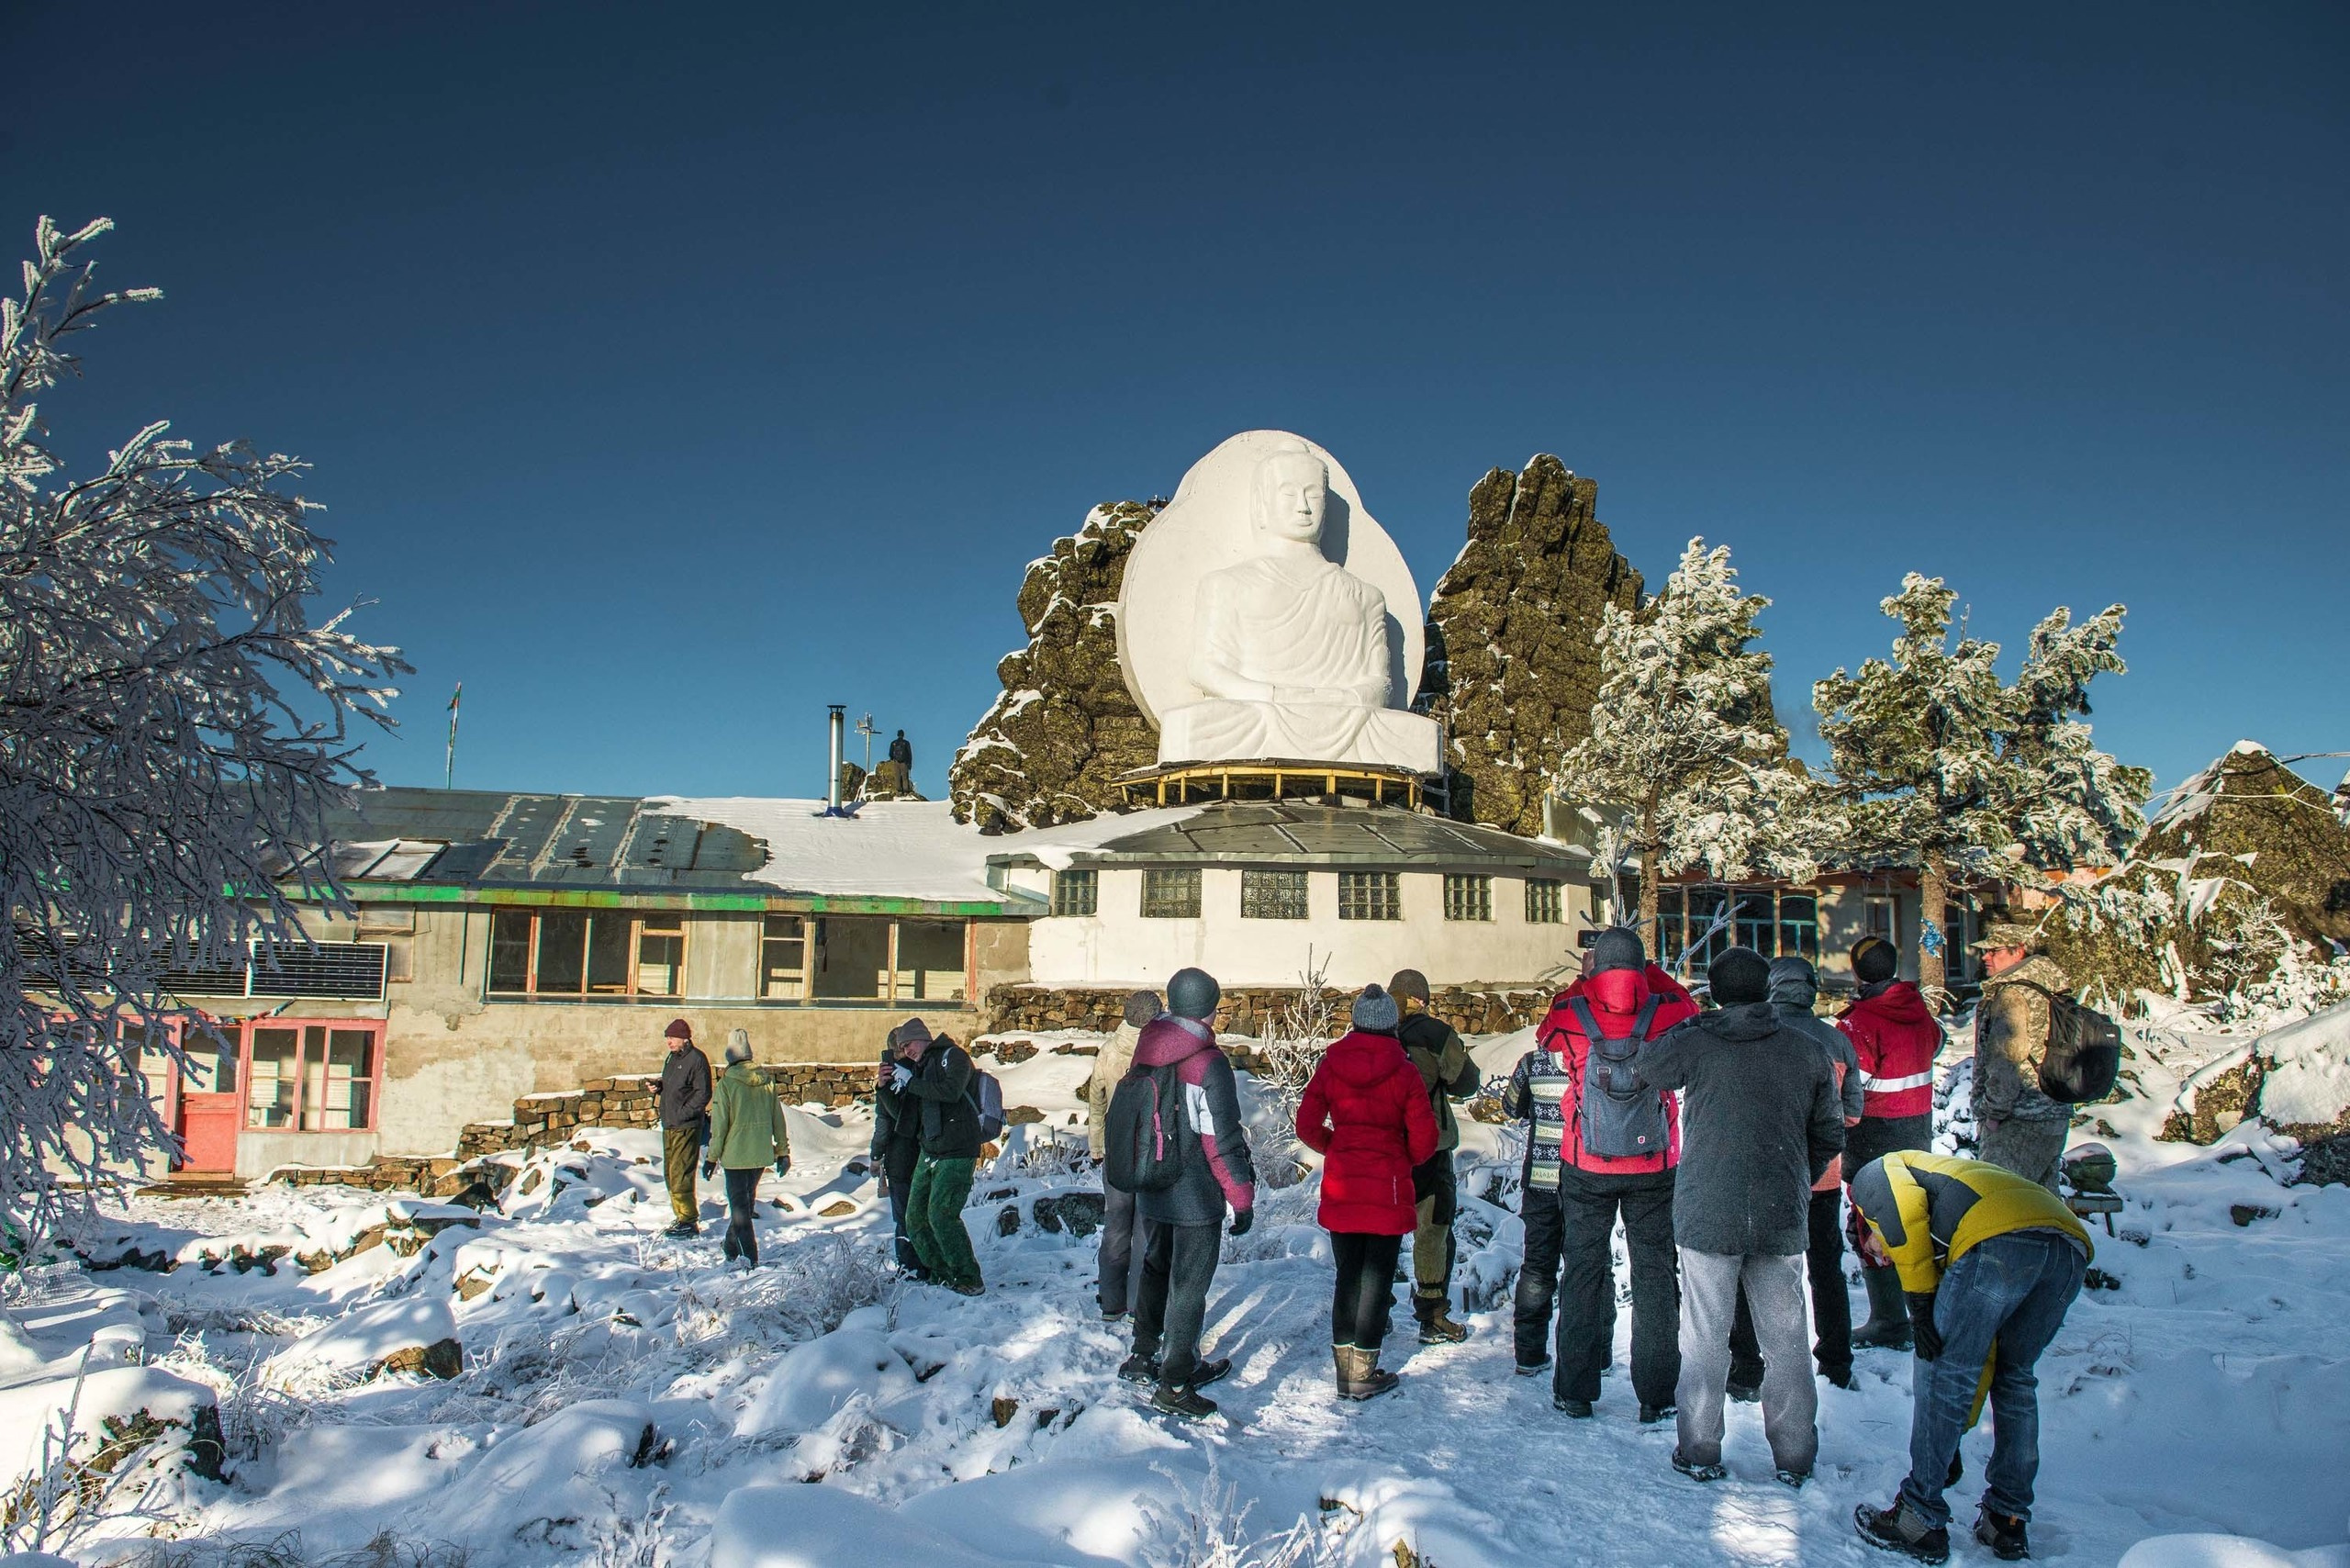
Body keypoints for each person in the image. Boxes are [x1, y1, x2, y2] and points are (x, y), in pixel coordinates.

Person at [1636, 946, 1844, 1487]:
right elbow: (1829, 1133)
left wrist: (1703, 1020)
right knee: (1787, 1337)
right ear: (1769, 991)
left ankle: (1700, 1447)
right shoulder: (1805, 1050)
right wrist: (1798, 1173)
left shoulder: (1700, 1041)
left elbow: (1649, 1064)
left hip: (1708, 1207)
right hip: (1781, 1210)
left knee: (1705, 1334)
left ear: (1716, 993)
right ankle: (1795, 1454)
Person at [1850, 1150, 2093, 1563]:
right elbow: (1981, 1359)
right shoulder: (1949, 1212)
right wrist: (1953, 1437)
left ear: (1862, 1223)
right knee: (2015, 1377)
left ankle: (1918, 1518)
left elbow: (1903, 1217)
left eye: (1876, 1252)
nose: (1885, 1260)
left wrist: (1921, 1302)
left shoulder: (1873, 1179)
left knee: (1940, 1371)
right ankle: (2007, 1520)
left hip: (1998, 1237)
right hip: (2066, 1248)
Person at [1503, 925, 1698, 1422]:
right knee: (1655, 1274)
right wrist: (1646, 975)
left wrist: (1590, 981)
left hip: (1584, 1160)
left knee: (1584, 1272)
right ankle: (1656, 1395)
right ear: (1641, 967)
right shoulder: (1670, 1012)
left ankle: (1575, 1390)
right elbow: (1689, 1008)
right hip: (1654, 1164)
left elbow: (1544, 1034)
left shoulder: (1571, 1013)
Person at [1121, 966, 1257, 1421]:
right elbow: (1219, 1137)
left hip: (1152, 1180)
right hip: (1194, 1192)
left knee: (1156, 1269)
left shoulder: (1149, 1047)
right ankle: (1176, 1381)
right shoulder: (1206, 1062)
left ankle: (1143, 1354)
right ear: (1209, 1008)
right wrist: (1240, 1196)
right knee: (1189, 1286)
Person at [1729, 955, 1867, 1394]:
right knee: (1826, 1269)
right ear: (1811, 989)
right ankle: (1836, 1362)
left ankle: (1747, 1368)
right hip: (1821, 1179)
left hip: (1763, 1175)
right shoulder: (1837, 1042)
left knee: (1750, 1269)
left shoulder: (1757, 1036)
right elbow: (1853, 1113)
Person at [1296, 984, 1440, 1399]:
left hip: (1344, 1182)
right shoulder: (1404, 1070)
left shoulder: (1332, 1064)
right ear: (1391, 1023)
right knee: (1377, 1278)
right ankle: (1364, 1368)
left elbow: (1306, 1124)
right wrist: (1401, 1156)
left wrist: (1337, 1145)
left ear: (1355, 1021)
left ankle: (1345, 1369)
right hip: (1388, 1185)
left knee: (1348, 1275)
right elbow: (1425, 1138)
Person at [1839, 935, 1945, 1350]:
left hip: (1872, 1137)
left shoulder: (1858, 1022)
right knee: (1912, 1221)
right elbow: (1935, 1045)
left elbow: (1851, 1084)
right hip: (1916, 1130)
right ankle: (1922, 1310)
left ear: (1856, 972)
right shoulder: (1919, 1011)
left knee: (1872, 1226)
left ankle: (1888, 1319)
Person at [1390, 968, 1482, 1343]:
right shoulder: (1435, 1033)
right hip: (1433, 1145)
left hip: (1387, 1150)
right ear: (1422, 999)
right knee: (1435, 1230)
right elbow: (1468, 1081)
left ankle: (1374, 1311)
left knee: (1383, 1231)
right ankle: (1432, 1315)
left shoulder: (1376, 1033)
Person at [1970, 911, 2073, 1195]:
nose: (1986, 957)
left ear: (2019, 952)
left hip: (2019, 1116)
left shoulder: (2012, 995)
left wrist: (1993, 1111)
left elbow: (2006, 1058)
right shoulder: (2051, 988)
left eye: (1995, 951)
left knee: (1999, 1200)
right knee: (2044, 1203)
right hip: (2054, 1108)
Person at [898, 1018, 987, 1296]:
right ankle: (942, 1274)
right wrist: (886, 1086)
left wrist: (911, 1082)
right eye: (901, 1047)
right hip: (930, 1149)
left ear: (922, 1038)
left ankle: (968, 1277)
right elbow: (906, 1115)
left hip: (958, 1151)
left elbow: (951, 1091)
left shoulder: (954, 1056)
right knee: (914, 1219)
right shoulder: (919, 1069)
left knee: (942, 1216)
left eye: (907, 1043)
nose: (905, 1050)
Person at [1090, 989, 1162, 1321]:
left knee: (1115, 1224)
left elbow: (1097, 1103)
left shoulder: (1108, 1050)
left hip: (1115, 1150)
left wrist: (1096, 1147)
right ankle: (1137, 1302)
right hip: (1148, 1149)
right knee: (1144, 1228)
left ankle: (1110, 1299)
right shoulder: (1158, 1050)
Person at [701, 1028, 790, 1265]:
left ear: (730, 1056)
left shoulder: (727, 1084)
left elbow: (719, 1126)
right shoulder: (766, 1082)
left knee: (740, 1210)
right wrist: (782, 1151)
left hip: (735, 1155)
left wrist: (712, 1157)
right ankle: (731, 1247)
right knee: (746, 1202)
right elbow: (777, 1119)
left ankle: (750, 1259)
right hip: (760, 1154)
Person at [871, 1021, 928, 1277]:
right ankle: (926, 1262)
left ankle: (909, 1267)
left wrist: (876, 1154)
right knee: (922, 1214)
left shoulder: (895, 1079)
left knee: (904, 1218)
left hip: (901, 1157)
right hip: (924, 1153)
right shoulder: (922, 1072)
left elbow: (889, 1120)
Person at [656, 1018, 712, 1238]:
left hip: (686, 1125)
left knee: (681, 1174)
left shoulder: (696, 1059)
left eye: (673, 1038)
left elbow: (703, 1093)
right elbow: (674, 1087)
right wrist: (658, 1086)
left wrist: (684, 1113)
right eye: (667, 1038)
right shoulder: (673, 1058)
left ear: (684, 1038)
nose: (669, 1042)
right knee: (670, 1173)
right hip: (670, 1123)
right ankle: (680, 1216)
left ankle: (689, 1221)